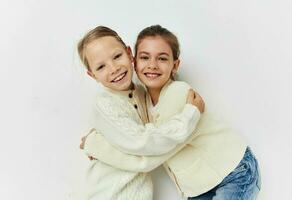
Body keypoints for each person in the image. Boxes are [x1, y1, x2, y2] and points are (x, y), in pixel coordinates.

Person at [82, 25, 261, 200]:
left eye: (162, 58)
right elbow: (136, 136)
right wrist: (103, 138)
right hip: (198, 187)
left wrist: (97, 146)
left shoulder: (178, 93)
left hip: (233, 171)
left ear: (174, 65)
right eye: (145, 57)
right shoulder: (140, 99)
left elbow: (152, 151)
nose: (152, 65)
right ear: (135, 60)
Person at [77, 26, 204, 200]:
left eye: (117, 56)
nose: (113, 68)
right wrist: (189, 118)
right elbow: (144, 147)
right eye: (101, 67)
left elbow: (151, 142)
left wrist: (96, 144)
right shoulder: (104, 104)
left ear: (130, 54)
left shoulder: (142, 93)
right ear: (92, 75)